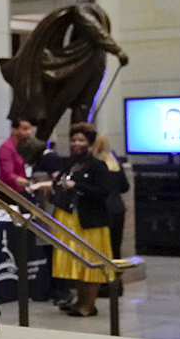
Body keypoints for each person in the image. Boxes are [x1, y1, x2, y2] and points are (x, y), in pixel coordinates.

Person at [51, 122, 113, 317]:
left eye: (81, 140)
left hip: (90, 221)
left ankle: (89, 303)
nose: (76, 144)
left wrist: (77, 185)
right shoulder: (69, 163)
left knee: (91, 262)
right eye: (73, 140)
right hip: (69, 218)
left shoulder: (97, 165)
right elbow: (59, 180)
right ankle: (80, 301)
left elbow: (103, 192)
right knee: (76, 262)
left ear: (90, 143)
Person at [92, 132, 130, 260]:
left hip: (101, 209)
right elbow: (125, 187)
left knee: (101, 248)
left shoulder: (93, 163)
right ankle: (116, 278)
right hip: (118, 208)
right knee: (115, 247)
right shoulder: (114, 162)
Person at [0, 118, 35, 190]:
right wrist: (29, 183)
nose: (28, 133)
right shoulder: (6, 148)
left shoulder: (25, 146)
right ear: (15, 130)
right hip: (9, 192)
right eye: (24, 129)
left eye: (29, 129)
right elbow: (8, 175)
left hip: (20, 189)